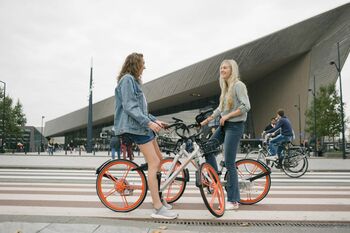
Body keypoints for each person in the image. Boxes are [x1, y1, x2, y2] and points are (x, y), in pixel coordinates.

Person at [114, 52, 177, 219]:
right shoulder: (127, 80)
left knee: (159, 158)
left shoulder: (134, 81)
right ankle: (157, 207)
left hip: (141, 126)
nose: (144, 67)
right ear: (135, 64)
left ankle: (159, 198)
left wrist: (157, 121)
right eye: (143, 63)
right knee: (154, 163)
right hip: (135, 128)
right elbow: (130, 107)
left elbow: (141, 111)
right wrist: (149, 123)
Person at [200, 59, 251, 210]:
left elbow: (246, 106)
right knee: (207, 147)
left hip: (234, 126)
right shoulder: (226, 87)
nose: (222, 70)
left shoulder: (238, 85)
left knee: (229, 162)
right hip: (224, 125)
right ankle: (215, 179)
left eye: (225, 68)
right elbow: (220, 108)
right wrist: (207, 120)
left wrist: (227, 117)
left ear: (232, 70)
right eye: (221, 68)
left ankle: (234, 200)